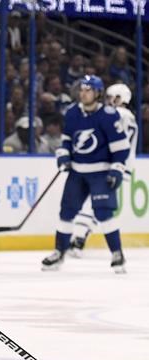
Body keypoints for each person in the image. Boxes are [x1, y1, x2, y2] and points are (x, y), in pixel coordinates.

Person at [41, 75, 130, 273]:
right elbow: (66, 140)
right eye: (82, 90)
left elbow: (121, 148)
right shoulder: (73, 112)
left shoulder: (108, 115)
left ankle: (117, 254)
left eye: (88, 90)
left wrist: (117, 168)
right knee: (66, 212)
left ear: (97, 93)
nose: (83, 93)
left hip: (101, 172)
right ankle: (59, 253)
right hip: (77, 172)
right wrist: (63, 155)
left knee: (103, 213)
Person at [68, 82, 138, 257]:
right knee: (97, 204)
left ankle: (78, 239)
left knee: (93, 202)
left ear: (121, 98)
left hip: (111, 165)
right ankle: (80, 238)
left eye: (112, 97)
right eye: (108, 97)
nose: (108, 100)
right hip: (121, 165)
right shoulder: (128, 116)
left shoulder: (117, 114)